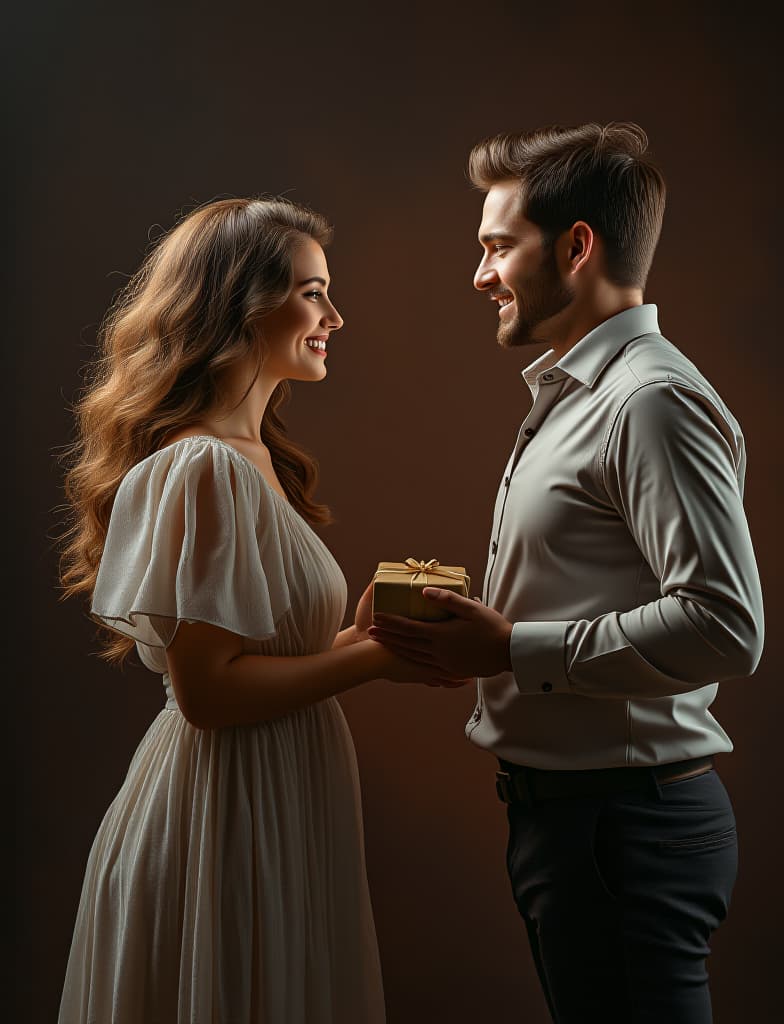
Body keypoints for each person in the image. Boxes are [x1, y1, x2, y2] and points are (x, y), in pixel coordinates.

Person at [368, 123, 765, 1023]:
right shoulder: (580, 394)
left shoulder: (651, 401)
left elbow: (725, 624)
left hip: (625, 833)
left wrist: (511, 647)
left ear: (577, 246)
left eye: (497, 246)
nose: (479, 275)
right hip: (578, 830)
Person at [56, 196, 460, 1023]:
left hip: (267, 801)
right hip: (223, 814)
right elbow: (209, 696)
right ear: (242, 304)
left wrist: (362, 632)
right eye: (314, 293)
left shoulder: (254, 461)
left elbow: (262, 659)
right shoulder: (206, 466)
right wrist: (377, 657)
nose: (335, 317)